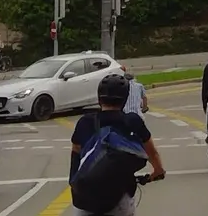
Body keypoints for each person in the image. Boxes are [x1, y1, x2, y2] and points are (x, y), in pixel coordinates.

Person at [69, 74, 165, 216]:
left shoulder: (85, 122)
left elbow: (75, 154)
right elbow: (152, 153)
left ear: (99, 98)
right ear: (125, 99)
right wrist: (158, 172)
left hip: (84, 199)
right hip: (118, 199)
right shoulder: (133, 121)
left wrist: (74, 181)